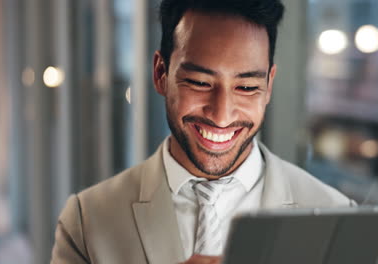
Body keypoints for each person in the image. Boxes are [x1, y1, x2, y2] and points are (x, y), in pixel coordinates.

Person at [51, 0, 354, 263]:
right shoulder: (87, 220)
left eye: (247, 87)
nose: (222, 115)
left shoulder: (338, 217)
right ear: (161, 74)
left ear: (269, 87)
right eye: (199, 82)